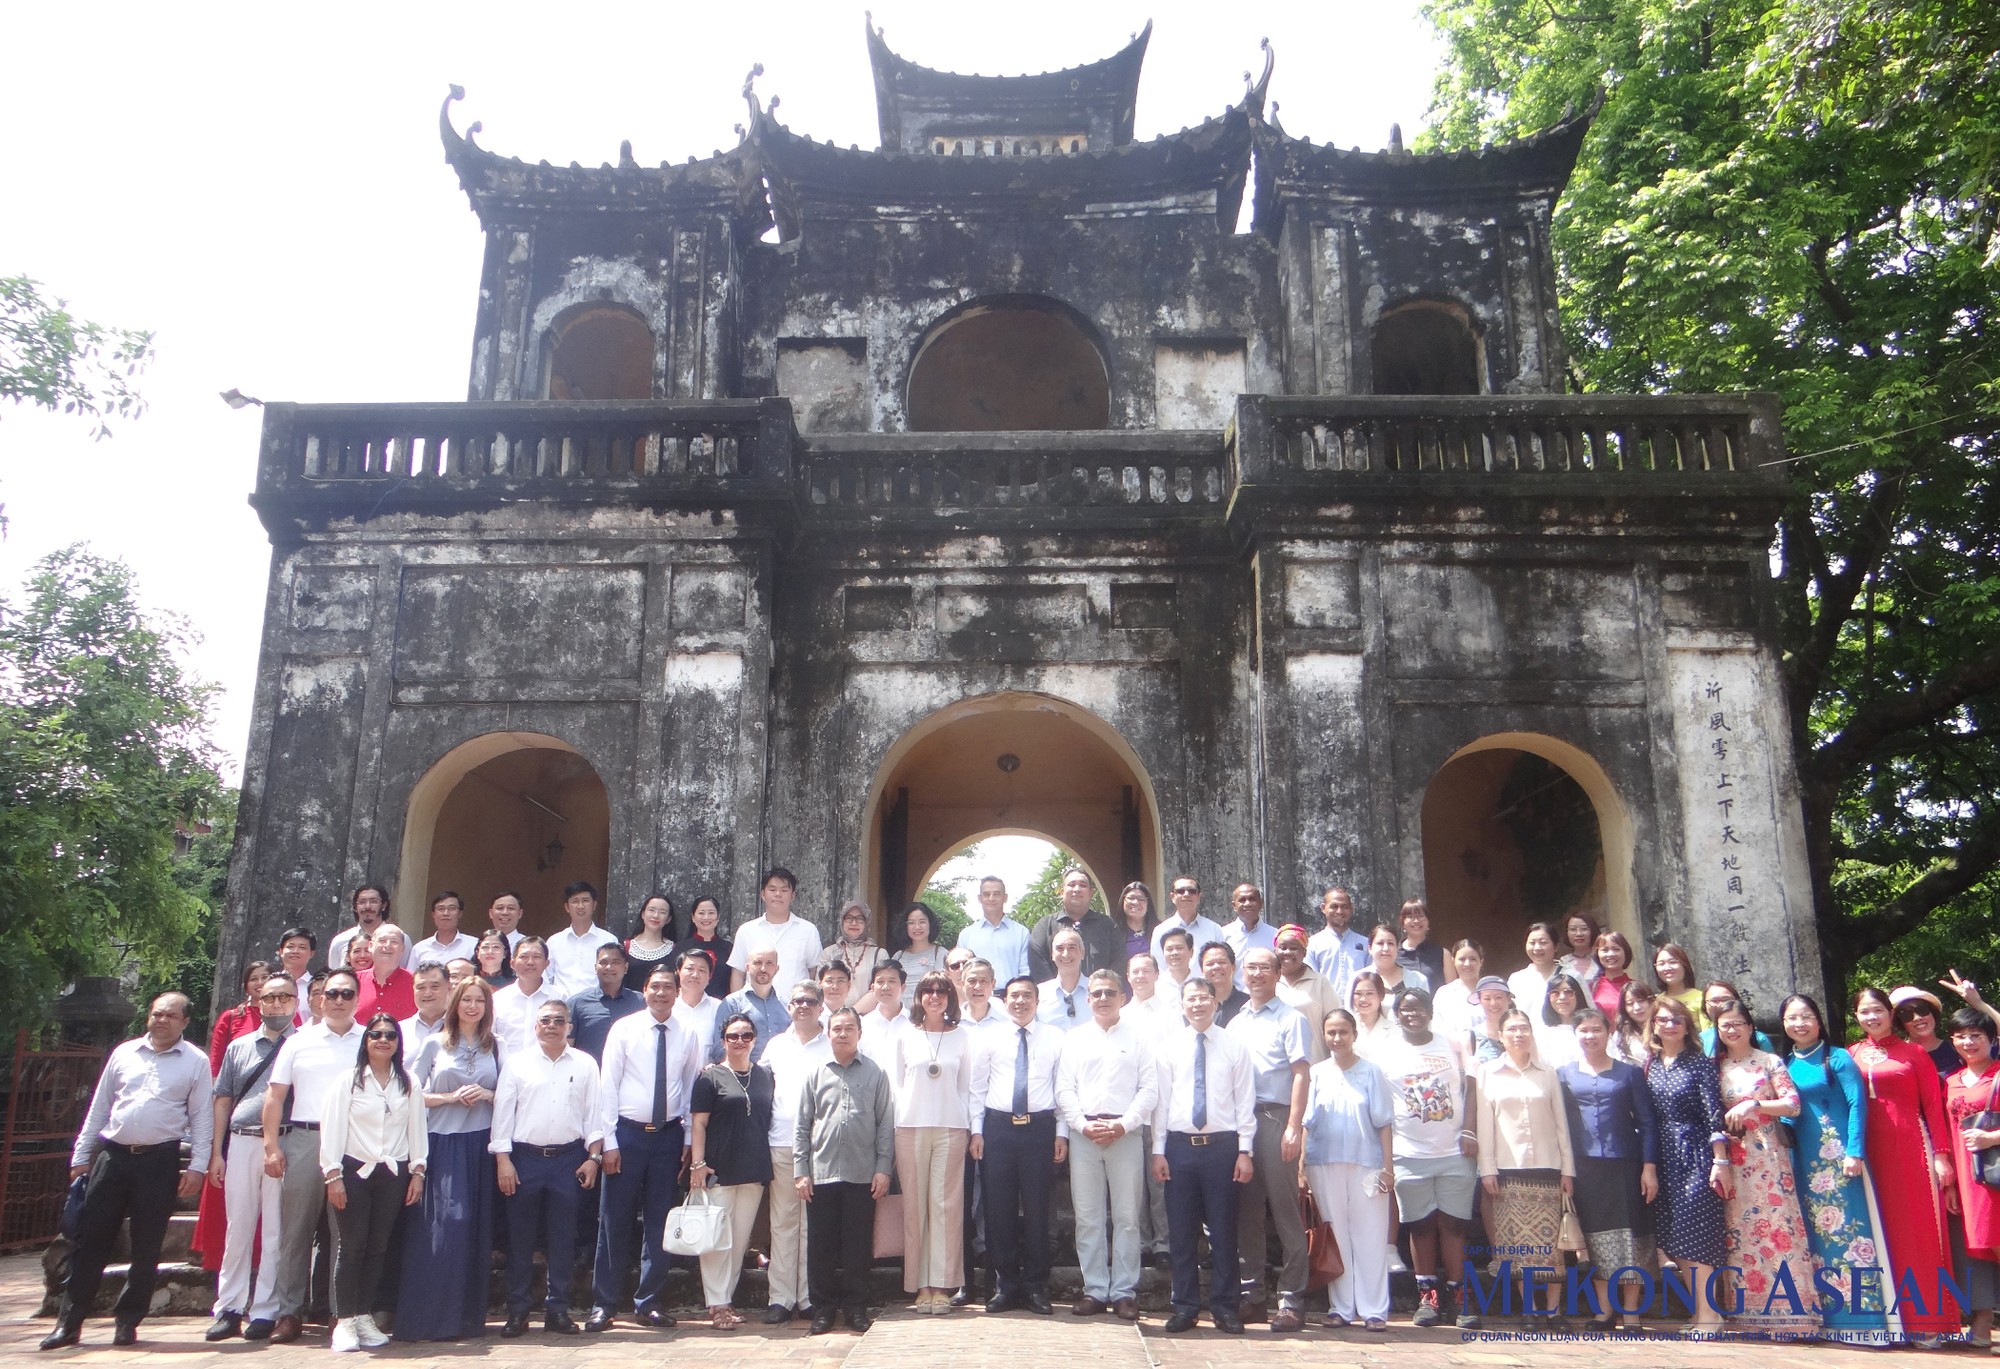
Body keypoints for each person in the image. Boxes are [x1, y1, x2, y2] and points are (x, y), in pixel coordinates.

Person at [43, 994, 214, 1352]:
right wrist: (81, 1155)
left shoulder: (195, 1061)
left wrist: (198, 1165)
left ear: (185, 1022)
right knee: (90, 1241)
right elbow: (99, 1106)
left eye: (170, 1015)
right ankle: (69, 1324)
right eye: (156, 1013)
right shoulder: (124, 1052)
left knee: (147, 1244)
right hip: (113, 1157)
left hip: (160, 1160)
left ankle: (127, 1322)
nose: (161, 1020)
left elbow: (201, 1118)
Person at [588, 964, 702, 1332]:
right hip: (627, 1135)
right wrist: (609, 1141)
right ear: (645, 989)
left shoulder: (687, 1032)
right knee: (614, 1220)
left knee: (660, 1222)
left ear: (677, 989)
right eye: (655, 987)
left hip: (668, 1137)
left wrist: (686, 1139)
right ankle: (604, 1304)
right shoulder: (625, 1028)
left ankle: (649, 1302)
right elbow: (608, 1085)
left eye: (669, 987)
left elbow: (689, 1088)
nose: (662, 993)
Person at [261, 966, 367, 1344]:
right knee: (296, 1231)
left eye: (346, 994)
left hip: (353, 1144)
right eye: (332, 994)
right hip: (305, 1139)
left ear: (357, 998)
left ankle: (342, 1312)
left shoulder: (369, 1040)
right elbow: (275, 1096)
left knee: (346, 1233)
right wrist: (271, 1146)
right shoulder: (298, 1041)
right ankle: (289, 1312)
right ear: (320, 998)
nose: (338, 1001)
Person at [1852, 984, 1961, 1343]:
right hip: (1868, 1155)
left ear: (1889, 1014)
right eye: (1865, 1012)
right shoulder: (1849, 1054)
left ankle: (1928, 1323)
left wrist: (1941, 1156)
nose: (1872, 1017)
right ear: (1857, 1017)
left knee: (1917, 1233)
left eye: (1878, 1011)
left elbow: (1932, 1105)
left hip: (1911, 1149)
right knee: (1878, 1234)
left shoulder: (1913, 1053)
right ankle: (1888, 1323)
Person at [490, 1000, 603, 1338]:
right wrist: (503, 1160)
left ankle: (558, 1310)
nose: (552, 1025)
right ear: (535, 1026)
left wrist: (593, 1158)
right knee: (521, 1240)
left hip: (569, 1159)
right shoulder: (517, 1063)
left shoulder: (584, 1064)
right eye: (545, 1020)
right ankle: (518, 1312)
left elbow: (593, 1115)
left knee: (563, 1239)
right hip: (524, 1159)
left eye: (559, 1020)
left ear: (569, 1025)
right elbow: (503, 1115)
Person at [395, 977, 500, 1342]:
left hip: (480, 1144)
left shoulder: (494, 1046)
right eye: (466, 999)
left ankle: (467, 1320)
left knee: (475, 1229)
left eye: (479, 1000)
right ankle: (430, 1318)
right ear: (454, 1003)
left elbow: (508, 1094)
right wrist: (451, 1097)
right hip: (442, 1142)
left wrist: (487, 1093)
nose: (472, 1006)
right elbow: (410, 1094)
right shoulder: (433, 1044)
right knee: (446, 1226)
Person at [1777, 992, 1885, 1342]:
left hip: (1838, 1158)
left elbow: (1857, 1104)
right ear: (1784, 1024)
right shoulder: (1783, 1066)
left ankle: (1865, 1324)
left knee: (1851, 1235)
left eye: (1806, 1016)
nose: (1800, 1023)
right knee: (1816, 1238)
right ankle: (1830, 1320)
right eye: (1792, 1017)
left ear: (1819, 1020)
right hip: (1803, 1161)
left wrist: (1855, 1151)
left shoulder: (1836, 1058)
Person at [1151, 975, 1256, 1335]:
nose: (1197, 1004)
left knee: (1224, 1232)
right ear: (1182, 1006)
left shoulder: (1234, 1047)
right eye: (1190, 999)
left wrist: (1245, 1151)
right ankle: (1185, 1307)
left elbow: (1245, 1103)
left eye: (1203, 998)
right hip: (1179, 1149)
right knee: (1181, 1233)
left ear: (1215, 1003)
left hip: (1222, 1149)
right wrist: (1158, 1151)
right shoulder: (1168, 1049)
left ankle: (1225, 1307)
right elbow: (1161, 1105)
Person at [320, 1012, 428, 1353]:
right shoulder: (348, 1081)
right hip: (353, 1171)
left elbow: (417, 1131)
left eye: (390, 1036)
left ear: (398, 1043)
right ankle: (345, 1320)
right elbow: (332, 1129)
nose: (383, 1040)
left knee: (378, 1246)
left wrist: (418, 1172)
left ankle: (364, 1314)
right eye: (375, 1034)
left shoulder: (407, 1082)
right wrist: (333, 1174)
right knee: (351, 1247)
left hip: (392, 1173)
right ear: (365, 1041)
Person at [1055, 968, 1158, 1321]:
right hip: (1085, 1135)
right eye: (1096, 993)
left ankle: (1124, 1291)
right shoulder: (1075, 1039)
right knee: (1087, 1217)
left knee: (1128, 1218)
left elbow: (1149, 1089)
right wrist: (1082, 1125)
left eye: (1109, 993)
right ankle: (1095, 1289)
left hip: (1125, 1133)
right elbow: (1063, 1089)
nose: (1102, 998)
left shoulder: (1139, 1038)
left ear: (1123, 998)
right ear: (1087, 999)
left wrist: (1123, 1124)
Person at [1711, 998, 1817, 1336]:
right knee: (1739, 1233)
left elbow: (1792, 1104)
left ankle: (1790, 1315)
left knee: (1776, 1227)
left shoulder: (1769, 1062)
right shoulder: (1716, 1067)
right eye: (1724, 1024)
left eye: (1738, 1023)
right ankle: (1748, 1315)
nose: (1731, 1029)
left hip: (1768, 1156)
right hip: (1734, 1159)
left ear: (1751, 1027)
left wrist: (1754, 1104)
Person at [1374, 986, 1478, 1329]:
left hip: (1454, 1152)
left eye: (1419, 1008)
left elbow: (1471, 1087)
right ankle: (1428, 1299)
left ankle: (1460, 1298)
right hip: (1408, 1154)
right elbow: (1380, 1106)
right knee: (1419, 1227)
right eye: (1405, 1009)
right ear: (1397, 1014)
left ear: (1430, 1011)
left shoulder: (1451, 1043)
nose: (1412, 1014)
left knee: (1453, 1226)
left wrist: (1469, 1131)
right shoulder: (1386, 1050)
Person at [205, 975, 296, 1343]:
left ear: (295, 1002)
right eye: (270, 997)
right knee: (238, 1228)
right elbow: (223, 1099)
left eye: (284, 998)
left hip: (285, 1143)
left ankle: (265, 1310)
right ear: (258, 1001)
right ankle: (228, 1308)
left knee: (276, 1229)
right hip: (241, 1141)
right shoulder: (239, 1047)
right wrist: (216, 1151)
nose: (276, 1004)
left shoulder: (303, 1046)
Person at [796, 1008, 896, 1335]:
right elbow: (802, 1127)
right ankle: (823, 1310)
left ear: (859, 1033)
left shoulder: (875, 1073)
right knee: (821, 1246)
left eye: (849, 1028)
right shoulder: (815, 1073)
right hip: (821, 1173)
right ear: (828, 1034)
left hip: (862, 1173)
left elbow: (884, 1125)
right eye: (837, 1028)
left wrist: (883, 1168)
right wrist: (801, 1170)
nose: (842, 1034)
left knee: (857, 1246)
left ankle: (856, 1308)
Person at [971, 975, 1067, 1316]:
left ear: (1037, 1002)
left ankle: (1036, 1286)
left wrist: (1062, 1132)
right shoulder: (989, 1037)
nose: (1020, 1001)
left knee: (1040, 1210)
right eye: (1014, 996)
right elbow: (977, 1088)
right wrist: (976, 1131)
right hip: (998, 1129)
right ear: (1005, 999)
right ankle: (1005, 1284)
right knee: (999, 1211)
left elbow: (1063, 1089)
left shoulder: (1055, 1038)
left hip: (1040, 1130)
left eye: (1027, 995)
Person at [1226, 948, 1311, 1330]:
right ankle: (1253, 1296)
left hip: (1276, 1120)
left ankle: (1292, 1300)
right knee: (1247, 1213)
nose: (1257, 974)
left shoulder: (1291, 1019)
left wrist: (1294, 1125)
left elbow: (1300, 1074)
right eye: (1251, 968)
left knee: (1285, 1211)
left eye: (1265, 967)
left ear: (1278, 973)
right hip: (1242, 1124)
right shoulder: (1236, 1021)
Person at [1557, 1008, 1658, 1331]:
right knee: (1595, 1239)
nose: (1590, 1036)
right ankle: (1604, 1311)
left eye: (1596, 1029)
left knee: (1631, 1240)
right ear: (1576, 1034)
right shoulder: (1563, 1075)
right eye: (1584, 1030)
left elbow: (1647, 1122)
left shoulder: (1629, 1074)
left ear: (1608, 1031)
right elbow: (1560, 1127)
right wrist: (1565, 1171)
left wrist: (1649, 1168)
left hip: (1625, 1167)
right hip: (1584, 1169)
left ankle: (1631, 1313)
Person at [1475, 1007, 1576, 1322]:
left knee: (1552, 1245)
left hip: (1548, 1168)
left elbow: (1562, 1124)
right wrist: (1487, 1168)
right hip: (1508, 1170)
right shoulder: (1488, 1072)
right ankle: (1529, 1309)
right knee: (1516, 1244)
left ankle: (1554, 1310)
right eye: (1512, 1029)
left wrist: (1567, 1170)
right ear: (1501, 1036)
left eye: (1524, 1028)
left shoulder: (1547, 1072)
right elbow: (1484, 1124)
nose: (1518, 1034)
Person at [1643, 993, 1732, 1335]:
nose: (1669, 1025)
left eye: (1676, 1020)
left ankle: (1710, 1315)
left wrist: (1719, 1160)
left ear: (1687, 1026)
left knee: (1696, 1234)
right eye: (1663, 1020)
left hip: (1695, 1153)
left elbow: (1714, 1115)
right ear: (1653, 1025)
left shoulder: (1699, 1064)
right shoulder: (1649, 1064)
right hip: (1662, 1156)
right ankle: (1701, 1312)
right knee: (1672, 1235)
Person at [1301, 1009, 1395, 1330]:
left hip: (1367, 1164)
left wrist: (1388, 1168)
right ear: (1324, 1035)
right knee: (1335, 1235)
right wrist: (1301, 1167)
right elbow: (1306, 1123)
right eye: (1331, 1032)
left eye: (1343, 1032)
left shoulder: (1371, 1072)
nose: (1337, 1038)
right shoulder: (1316, 1074)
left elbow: (1384, 1124)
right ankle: (1341, 1308)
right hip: (1323, 1163)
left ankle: (1373, 1310)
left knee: (1369, 1234)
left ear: (1354, 1034)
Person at [895, 970, 974, 1312]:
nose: (934, 996)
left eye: (941, 991)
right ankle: (920, 1285)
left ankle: (942, 1285)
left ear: (950, 998)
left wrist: (973, 1130)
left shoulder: (963, 1037)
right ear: (919, 996)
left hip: (950, 1128)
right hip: (910, 1127)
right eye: (928, 990)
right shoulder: (904, 1035)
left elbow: (966, 1089)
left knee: (945, 1208)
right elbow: (895, 1086)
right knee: (915, 1209)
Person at [689, 1013, 774, 1328]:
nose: (740, 1041)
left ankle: (728, 1298)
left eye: (746, 1035)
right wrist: (698, 1165)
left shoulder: (766, 1075)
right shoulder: (710, 1078)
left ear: (755, 1039)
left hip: (754, 1169)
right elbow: (699, 1122)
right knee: (716, 1241)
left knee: (738, 1242)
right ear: (723, 1041)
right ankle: (717, 1304)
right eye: (733, 1036)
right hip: (719, 1169)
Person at [193, 962, 272, 1280]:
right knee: (225, 1197)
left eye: (266, 978)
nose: (259, 983)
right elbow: (216, 1067)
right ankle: (220, 1266)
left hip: (270, 1119)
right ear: (245, 985)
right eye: (254, 979)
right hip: (233, 1114)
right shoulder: (232, 1018)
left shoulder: (288, 1021)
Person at [760, 978, 832, 1324]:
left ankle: (809, 1296)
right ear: (789, 1006)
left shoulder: (832, 1045)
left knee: (814, 1224)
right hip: (781, 1142)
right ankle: (781, 1298)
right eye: (797, 1001)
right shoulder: (775, 1045)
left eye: (810, 1001)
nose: (802, 1006)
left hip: (821, 1148)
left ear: (821, 1006)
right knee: (783, 1222)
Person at [1944, 1007, 2000, 1351]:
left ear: (1992, 1040)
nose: (1969, 1042)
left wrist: (1991, 1139)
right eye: (1962, 1036)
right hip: (1967, 1177)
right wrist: (1950, 1181)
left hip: (1996, 1172)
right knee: (1982, 1246)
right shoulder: (1951, 1080)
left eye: (1976, 1035)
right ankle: (1982, 1324)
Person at [728, 867, 823, 995]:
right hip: (753, 1008)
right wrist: (737, 1009)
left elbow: (815, 971)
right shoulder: (746, 930)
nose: (778, 894)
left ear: (793, 895)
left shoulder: (808, 930)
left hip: (796, 1008)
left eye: (784, 890)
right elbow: (738, 973)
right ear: (763, 894)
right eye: (772, 889)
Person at [1028, 867, 1123, 983]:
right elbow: (1038, 965)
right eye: (1071, 885)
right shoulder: (1044, 926)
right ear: (1062, 892)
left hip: (1099, 997)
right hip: (1057, 998)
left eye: (1083, 885)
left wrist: (1101, 990)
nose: (1077, 889)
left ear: (1091, 893)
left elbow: (1119, 962)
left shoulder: (1108, 926)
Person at [1273, 923, 1338, 1061]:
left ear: (1304, 953)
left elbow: (1336, 1022)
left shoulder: (1320, 982)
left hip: (1315, 1064)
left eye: (1294, 948)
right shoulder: (1268, 982)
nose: (1287, 952)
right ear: (1275, 951)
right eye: (1282, 947)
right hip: (1278, 1068)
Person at [545, 881, 620, 1002]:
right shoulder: (554, 941)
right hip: (561, 1006)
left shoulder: (608, 940)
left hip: (596, 1005)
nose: (580, 906)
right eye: (575, 901)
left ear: (594, 905)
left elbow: (613, 977)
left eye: (585, 900)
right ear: (567, 907)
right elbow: (546, 977)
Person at [568, 943, 643, 1062]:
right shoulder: (577, 1003)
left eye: (615, 962)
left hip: (629, 1077)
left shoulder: (641, 1003)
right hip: (590, 1076)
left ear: (626, 967)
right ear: (595, 967)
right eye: (603, 962)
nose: (609, 967)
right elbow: (568, 1047)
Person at [715, 946, 788, 1063]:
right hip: (744, 1076)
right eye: (757, 963)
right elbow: (719, 1048)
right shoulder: (732, 1003)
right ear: (747, 967)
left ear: (776, 968)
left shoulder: (786, 1006)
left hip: (780, 1076)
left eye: (769, 963)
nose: (763, 968)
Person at [955, 875, 1030, 983]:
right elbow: (960, 970)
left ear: (1005, 897)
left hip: (1010, 996)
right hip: (976, 995)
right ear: (979, 898)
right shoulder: (966, 935)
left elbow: (1025, 970)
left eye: (996, 894)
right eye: (986, 894)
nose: (991, 898)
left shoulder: (1021, 932)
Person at [490, 937, 557, 1056]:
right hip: (506, 1071)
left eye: (536, 957)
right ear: (512, 963)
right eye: (523, 957)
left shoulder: (560, 998)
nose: (530, 962)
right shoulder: (498, 999)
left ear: (547, 963)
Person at [1151, 875, 1225, 969]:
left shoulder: (1214, 929)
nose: (1186, 894)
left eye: (1192, 891)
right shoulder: (1160, 931)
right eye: (1180, 891)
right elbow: (1158, 969)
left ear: (1198, 896)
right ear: (1172, 897)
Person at [818, 899, 889, 993]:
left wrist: (854, 1008)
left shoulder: (879, 954)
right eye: (849, 918)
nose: (854, 923)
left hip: (869, 1008)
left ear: (867, 922)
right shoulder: (829, 953)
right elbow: (820, 988)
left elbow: (882, 988)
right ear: (842, 921)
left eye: (859, 918)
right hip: (835, 1007)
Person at [1305, 885, 1370, 985]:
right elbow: (1310, 981)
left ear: (1351, 909)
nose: (1339, 911)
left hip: (1358, 1000)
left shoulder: (1366, 944)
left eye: (1345, 907)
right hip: (1324, 1000)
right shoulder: (1312, 944)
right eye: (1334, 906)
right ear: (1323, 908)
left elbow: (1372, 977)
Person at [1892, 985, 1961, 1077]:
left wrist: (1977, 1003)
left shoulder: (1958, 1048)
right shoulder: (1895, 1059)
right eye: (1906, 1015)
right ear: (1900, 1022)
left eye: (1922, 1010)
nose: (1917, 1018)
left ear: (1932, 1012)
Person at [675, 895, 733, 1001]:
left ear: (718, 917)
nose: (706, 917)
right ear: (693, 917)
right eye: (701, 913)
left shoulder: (728, 948)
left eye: (711, 913)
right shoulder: (680, 948)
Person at [329, 885, 399, 971]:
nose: (367, 906)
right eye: (362, 902)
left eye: (373, 901)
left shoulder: (399, 939)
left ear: (384, 905)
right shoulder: (340, 941)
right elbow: (334, 977)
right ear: (355, 907)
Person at [1430, 939, 1484, 1050]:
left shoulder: (1492, 991)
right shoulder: (1444, 994)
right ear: (1453, 961)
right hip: (1454, 1055)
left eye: (1473, 959)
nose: (1467, 964)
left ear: (1481, 961)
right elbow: (1437, 1029)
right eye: (1462, 959)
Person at [356, 925, 416, 1022]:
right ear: (370, 946)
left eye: (394, 942)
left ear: (403, 949)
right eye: (382, 941)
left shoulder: (415, 984)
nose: (388, 945)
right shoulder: (355, 981)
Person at [895, 902, 950, 1007]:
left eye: (922, 922)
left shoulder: (940, 954)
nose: (917, 927)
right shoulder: (898, 956)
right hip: (901, 1016)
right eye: (911, 923)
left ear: (930, 924)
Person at [1696, 981, 1774, 1054]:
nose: (1720, 1005)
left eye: (1726, 1000)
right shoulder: (1701, 1040)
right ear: (1704, 1006)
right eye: (1714, 1001)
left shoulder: (1759, 1039)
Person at [1222, 883, 1277, 985]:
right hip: (1233, 998)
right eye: (1242, 900)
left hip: (1266, 997)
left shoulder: (1275, 936)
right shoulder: (1222, 935)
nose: (1247, 904)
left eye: (1252, 899)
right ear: (1234, 906)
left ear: (1261, 903)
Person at [622, 892, 677, 994]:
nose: (656, 916)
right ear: (643, 914)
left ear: (668, 919)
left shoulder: (674, 950)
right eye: (651, 910)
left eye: (662, 912)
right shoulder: (626, 947)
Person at [410, 891, 479, 970]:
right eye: (441, 909)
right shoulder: (419, 949)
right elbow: (411, 979)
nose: (446, 913)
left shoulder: (473, 945)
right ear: (433, 914)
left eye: (452, 908)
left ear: (460, 914)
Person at [1360, 922, 1426, 1004]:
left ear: (1397, 947)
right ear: (1370, 948)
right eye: (1380, 943)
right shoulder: (1357, 980)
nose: (1386, 948)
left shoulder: (1418, 979)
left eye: (1390, 943)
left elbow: (1426, 1013)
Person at [1037, 925, 1089, 1029]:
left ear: (1082, 953)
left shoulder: (1097, 991)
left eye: (1072, 948)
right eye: (1059, 948)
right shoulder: (1038, 994)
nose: (1065, 954)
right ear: (1052, 954)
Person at [1505, 923, 1560, 1018]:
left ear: (1556, 946)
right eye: (1532, 943)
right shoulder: (1517, 979)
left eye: (1543, 942)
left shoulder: (1570, 975)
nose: (1537, 948)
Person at [399, 962, 452, 1058]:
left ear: (449, 987)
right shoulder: (399, 1030)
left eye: (434, 987)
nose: (427, 993)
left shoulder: (463, 1027)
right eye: (421, 988)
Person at [1536, 973, 1588, 1069]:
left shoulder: (1591, 1029)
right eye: (1555, 993)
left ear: (1578, 995)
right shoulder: (1541, 1034)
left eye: (1568, 992)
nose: (1562, 997)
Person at [673, 947, 722, 1047]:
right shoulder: (667, 1006)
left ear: (710, 976)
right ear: (678, 972)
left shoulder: (719, 1008)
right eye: (690, 969)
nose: (695, 975)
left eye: (701, 970)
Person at [1395, 898, 1446, 990]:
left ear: (1428, 922)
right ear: (1402, 923)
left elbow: (1451, 989)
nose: (1416, 921)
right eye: (1410, 916)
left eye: (1420, 916)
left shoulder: (1442, 953)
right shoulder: (1394, 954)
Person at [1652, 943, 1705, 1026]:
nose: (1667, 968)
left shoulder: (1701, 998)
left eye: (1672, 962)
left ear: (1684, 965)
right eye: (1661, 964)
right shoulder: (1657, 1001)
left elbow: (1708, 1036)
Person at [1199, 941, 1252, 1025]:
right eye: (1210, 964)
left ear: (1233, 966)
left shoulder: (1249, 1004)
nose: (1216, 967)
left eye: (1222, 962)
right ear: (1201, 970)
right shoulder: (1197, 1006)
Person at [1347, 972, 1396, 1058]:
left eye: (1369, 993)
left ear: (1381, 996)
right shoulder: (1345, 1029)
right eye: (1358, 994)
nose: (1363, 999)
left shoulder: (1395, 1030)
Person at [276, 929, 319, 1025]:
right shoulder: (270, 984)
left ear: (312, 953)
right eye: (290, 947)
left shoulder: (316, 987)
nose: (295, 951)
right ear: (281, 951)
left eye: (302, 947)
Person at [1467, 975, 1513, 1065]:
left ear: (1509, 999)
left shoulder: (1522, 1031)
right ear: (1479, 1001)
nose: (1493, 1003)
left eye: (1498, 997)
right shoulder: (1470, 1037)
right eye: (1487, 998)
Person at [1590, 931, 1636, 1020]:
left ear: (1625, 953)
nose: (1611, 954)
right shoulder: (1591, 987)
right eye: (1605, 950)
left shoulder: (1636, 987)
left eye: (1616, 949)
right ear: (1597, 954)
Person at [1113, 881, 1159, 965]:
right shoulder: (1112, 931)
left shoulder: (1160, 929)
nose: (1135, 902)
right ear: (1123, 900)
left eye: (1141, 899)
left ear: (1148, 903)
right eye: (1131, 898)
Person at [1611, 979, 1656, 1064]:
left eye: (1641, 1001)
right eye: (1630, 1004)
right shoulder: (1622, 1034)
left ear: (1651, 1001)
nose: (1637, 1007)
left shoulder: (1663, 1027)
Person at [1157, 926, 1198, 1004]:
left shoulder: (1202, 984)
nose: (1174, 953)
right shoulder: (1156, 985)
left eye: (1179, 948)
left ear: (1191, 952)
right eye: (1169, 949)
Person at [1559, 913, 1602, 988]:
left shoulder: (1602, 960)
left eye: (1584, 929)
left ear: (1592, 931)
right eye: (1573, 929)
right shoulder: (1563, 963)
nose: (1579, 934)